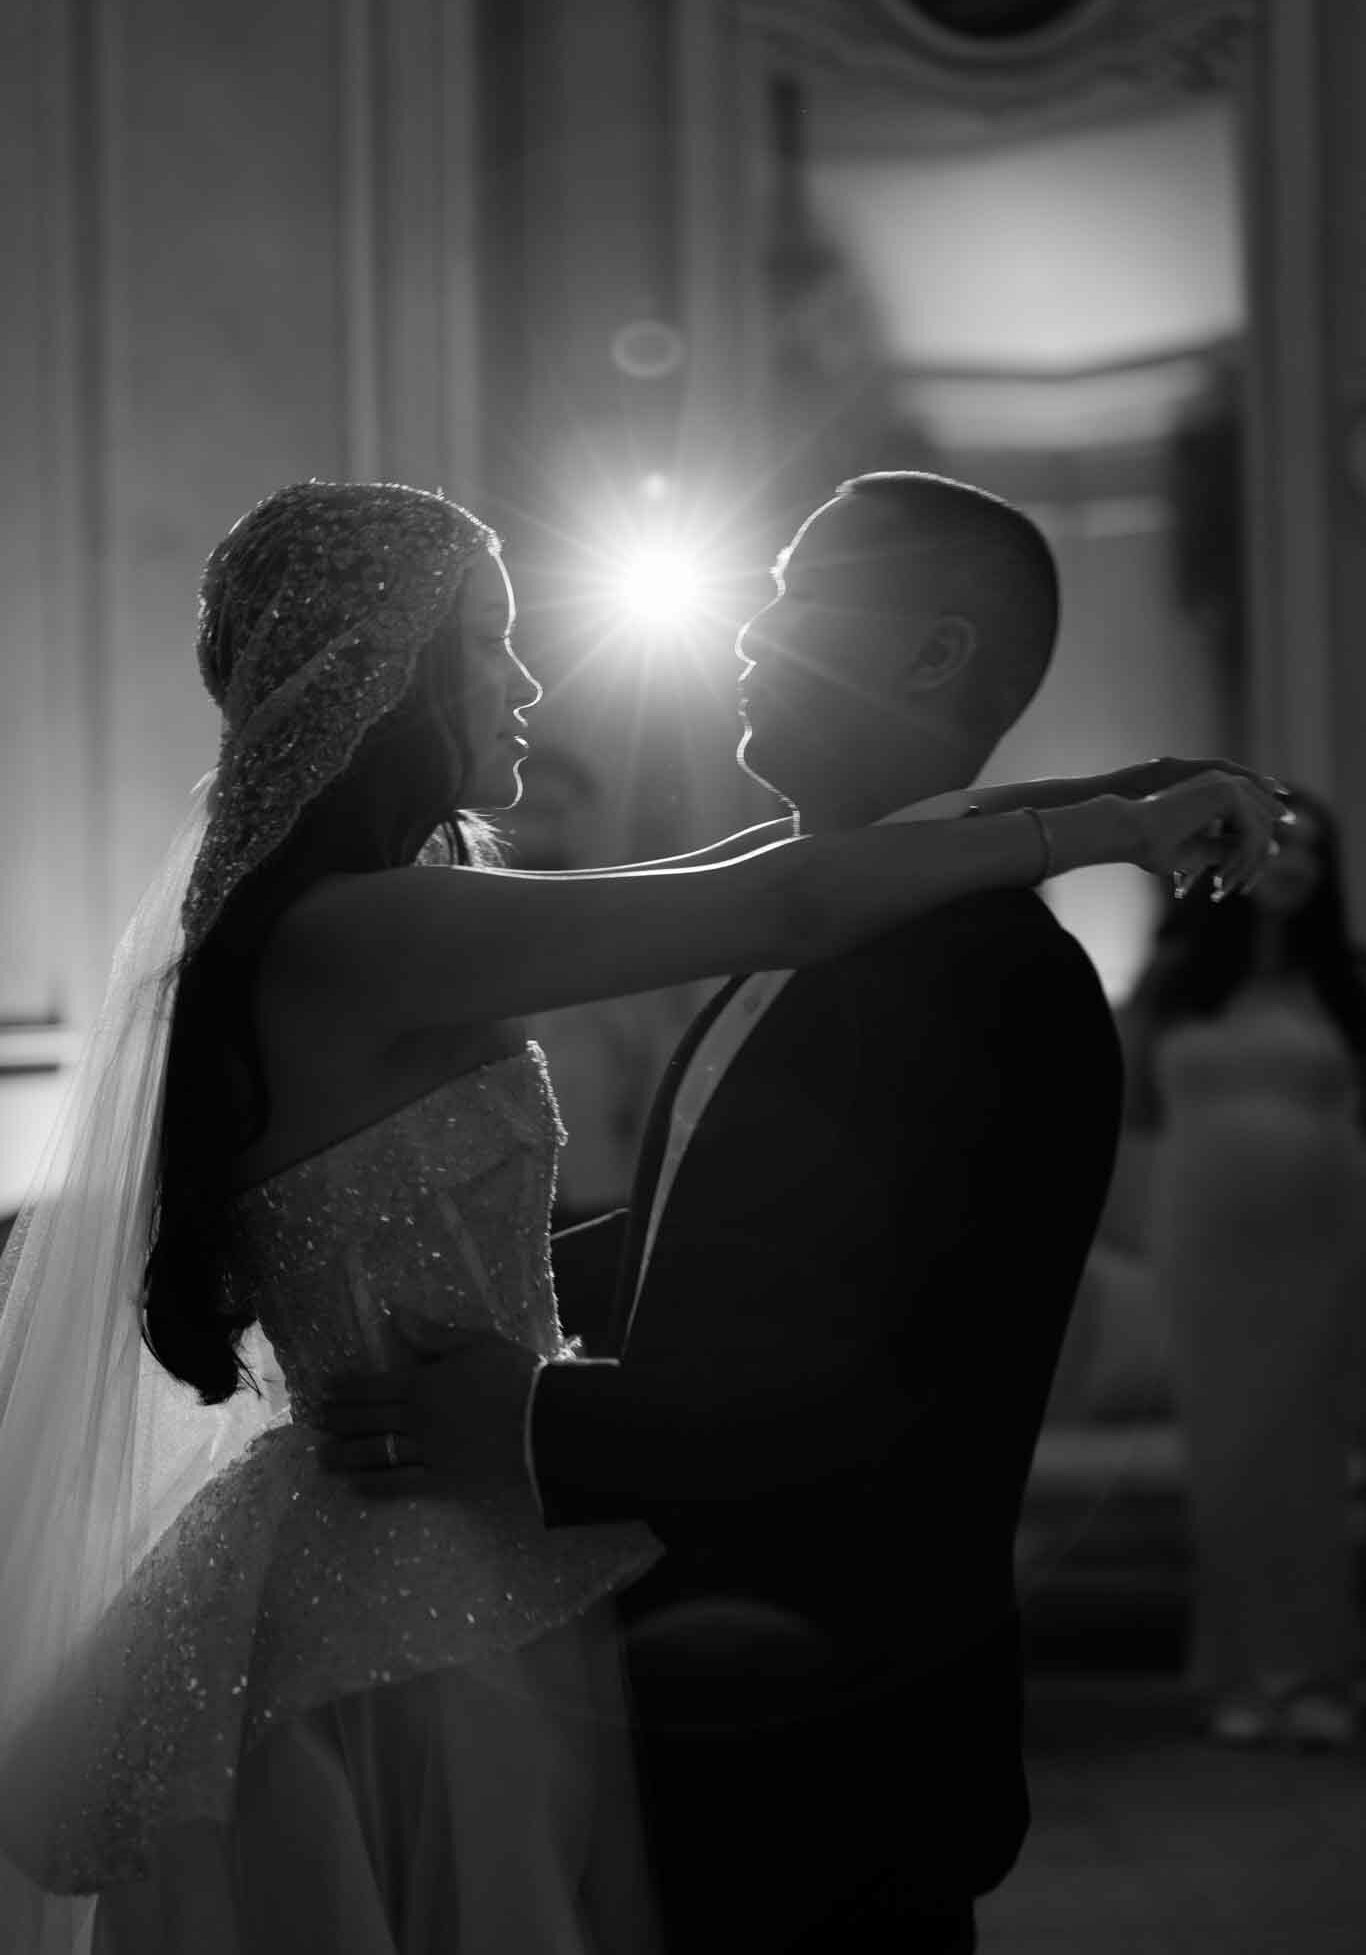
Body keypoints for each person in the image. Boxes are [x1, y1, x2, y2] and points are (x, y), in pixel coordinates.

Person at [0, 476, 1278, 1955]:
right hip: (404, 1579)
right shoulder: (376, 927)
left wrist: (1112, 791)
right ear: (394, 678)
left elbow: (754, 881)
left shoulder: (406, 909)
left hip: (496, 1553)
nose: (530, 679)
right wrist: (1117, 818)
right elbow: (783, 900)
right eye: (490, 641)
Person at [1120, 784, 1366, 1750]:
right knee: (1229, 1459)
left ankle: (1314, 1670)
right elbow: (1136, 1113)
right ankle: (1236, 1669)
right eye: (1283, 843)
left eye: (1315, 851)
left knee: (1308, 1457)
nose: (1295, 864)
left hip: (1324, 1234)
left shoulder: (1343, 983)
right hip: (1206, 1240)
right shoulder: (1174, 980)